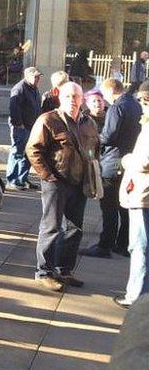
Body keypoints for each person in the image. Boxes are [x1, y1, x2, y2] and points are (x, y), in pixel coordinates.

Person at [27, 82, 100, 292]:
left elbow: (94, 149)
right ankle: (44, 271)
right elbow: (33, 149)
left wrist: (93, 172)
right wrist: (48, 176)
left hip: (80, 183)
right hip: (56, 182)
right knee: (51, 227)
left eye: (76, 96)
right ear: (60, 97)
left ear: (82, 99)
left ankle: (64, 269)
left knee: (74, 228)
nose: (73, 100)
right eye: (68, 96)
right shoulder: (48, 119)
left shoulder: (88, 122)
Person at [80, 78, 142, 259]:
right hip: (128, 160)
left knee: (109, 206)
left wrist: (94, 137)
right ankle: (123, 244)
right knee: (124, 205)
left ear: (109, 91)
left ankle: (105, 245)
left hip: (112, 162)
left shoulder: (117, 107)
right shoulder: (135, 104)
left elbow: (109, 135)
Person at [115, 81, 149, 308]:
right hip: (142, 193)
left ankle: (136, 296)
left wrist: (127, 160)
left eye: (141, 101)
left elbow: (145, 161)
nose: (140, 106)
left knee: (139, 246)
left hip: (144, 195)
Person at [6, 66, 43, 191]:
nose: (37, 79)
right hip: (21, 127)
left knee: (28, 153)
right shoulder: (19, 88)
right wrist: (18, 123)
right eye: (35, 77)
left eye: (38, 77)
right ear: (27, 76)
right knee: (17, 152)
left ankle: (22, 178)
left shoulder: (34, 89)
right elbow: (13, 107)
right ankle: (12, 179)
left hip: (31, 126)